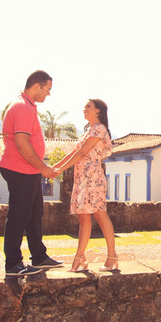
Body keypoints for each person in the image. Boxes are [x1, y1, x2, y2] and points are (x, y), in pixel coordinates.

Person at [0, 70, 62, 277]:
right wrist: (43, 168)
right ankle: (13, 264)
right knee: (19, 215)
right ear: (36, 86)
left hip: (28, 170)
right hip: (20, 169)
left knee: (34, 214)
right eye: (47, 89)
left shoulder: (26, 106)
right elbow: (22, 143)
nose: (49, 94)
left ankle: (39, 256)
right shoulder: (23, 107)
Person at [53, 98, 118, 271]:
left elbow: (82, 153)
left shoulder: (99, 129)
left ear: (98, 111)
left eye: (88, 106)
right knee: (83, 217)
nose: (84, 109)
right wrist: (56, 167)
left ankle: (111, 256)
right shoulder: (88, 131)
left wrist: (59, 170)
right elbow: (75, 152)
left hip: (92, 178)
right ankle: (80, 257)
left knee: (100, 215)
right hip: (81, 178)